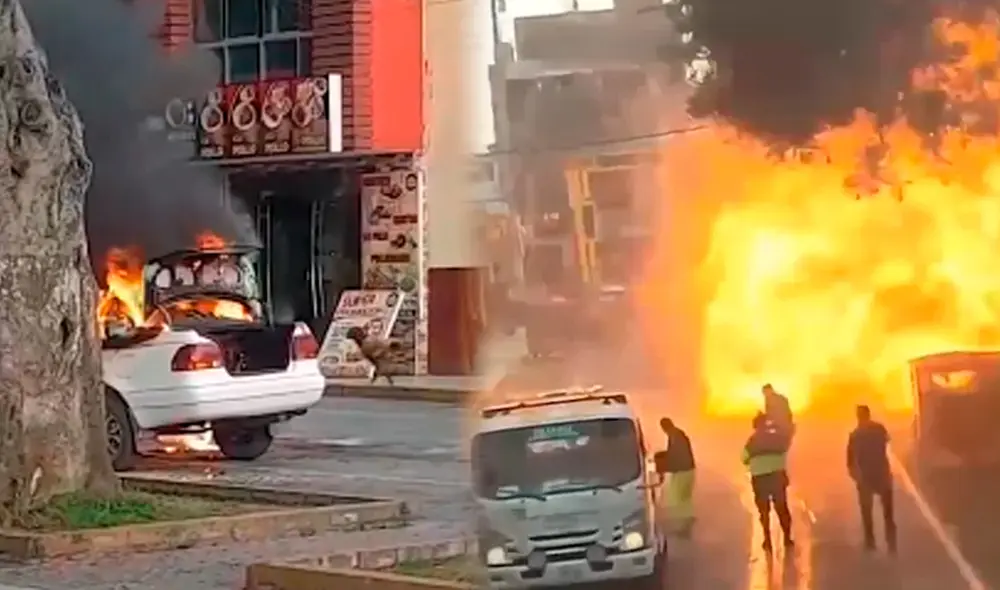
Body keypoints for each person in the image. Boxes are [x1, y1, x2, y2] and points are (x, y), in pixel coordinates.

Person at [847, 404, 896, 553]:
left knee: (866, 511)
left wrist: (856, 476)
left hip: (865, 476)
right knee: (888, 512)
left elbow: (850, 459)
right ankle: (891, 540)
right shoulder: (879, 428)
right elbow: (887, 440)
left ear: (858, 417)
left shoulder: (855, 434)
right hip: (882, 473)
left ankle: (870, 541)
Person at [742, 413, 794, 552]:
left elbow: (743, 458)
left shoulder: (752, 441)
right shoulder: (777, 438)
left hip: (760, 479)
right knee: (782, 508)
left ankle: (767, 540)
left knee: (764, 511)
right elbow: (786, 448)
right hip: (777, 476)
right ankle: (787, 538)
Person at [659, 418, 696, 538]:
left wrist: (665, 466)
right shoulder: (678, 434)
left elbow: (676, 455)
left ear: (664, 427)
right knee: (685, 498)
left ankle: (683, 526)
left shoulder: (674, 436)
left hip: (682, 471)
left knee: (677, 499)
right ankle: (687, 522)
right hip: (689, 470)